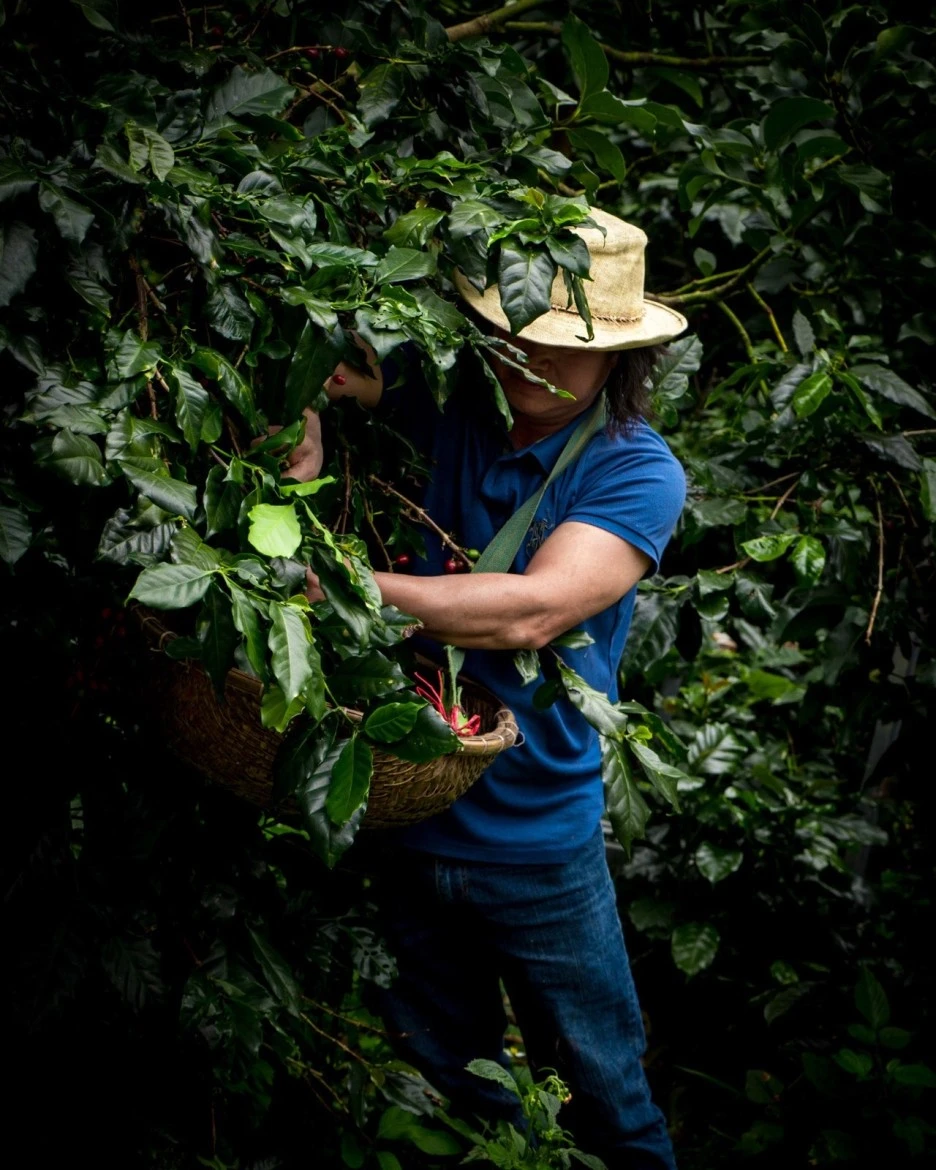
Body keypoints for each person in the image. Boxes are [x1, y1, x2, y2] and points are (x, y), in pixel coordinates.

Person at [293, 208, 687, 1169]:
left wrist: (336, 589)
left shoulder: (636, 471)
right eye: (513, 337)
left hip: (537, 842)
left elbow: (531, 611)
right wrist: (303, 413)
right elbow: (321, 363)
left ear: (618, 358)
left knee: (609, 1096)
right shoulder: (455, 402)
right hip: (407, 809)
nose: (526, 361)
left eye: (557, 347)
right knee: (445, 1090)